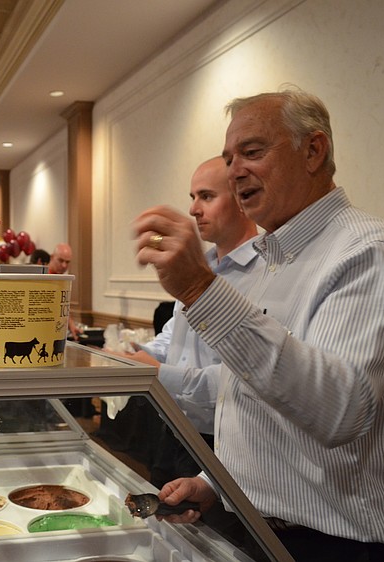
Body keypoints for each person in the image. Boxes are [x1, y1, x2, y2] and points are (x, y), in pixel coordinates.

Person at [135, 89, 384, 561]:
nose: (236, 170)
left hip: (344, 546)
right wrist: (215, 484)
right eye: (229, 158)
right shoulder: (267, 264)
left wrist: (199, 289)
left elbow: (341, 410)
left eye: (253, 152)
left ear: (313, 151)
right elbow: (260, 403)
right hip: (259, 527)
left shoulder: (370, 251)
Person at [108, 156, 259, 485]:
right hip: (176, 433)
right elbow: (173, 337)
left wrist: (158, 373)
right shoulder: (200, 265)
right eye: (192, 197)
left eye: (206, 196)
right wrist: (134, 356)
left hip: (228, 444)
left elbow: (245, 377)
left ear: (242, 199)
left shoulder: (265, 273)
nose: (193, 209)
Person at [48, 242, 82, 338]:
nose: (64, 265)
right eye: (60, 260)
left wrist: (72, 326)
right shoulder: (43, 277)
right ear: (52, 257)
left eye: (67, 262)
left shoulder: (61, 279)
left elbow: (62, 305)